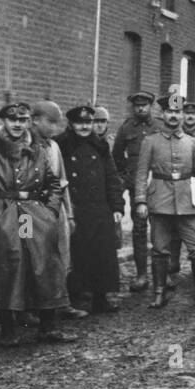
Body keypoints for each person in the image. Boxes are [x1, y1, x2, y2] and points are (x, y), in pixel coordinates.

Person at [0, 102, 73, 346]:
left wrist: (50, 211)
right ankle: (8, 330)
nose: (17, 124)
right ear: (4, 121)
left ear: (28, 122)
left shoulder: (37, 149)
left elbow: (53, 184)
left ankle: (48, 327)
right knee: (8, 268)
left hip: (34, 216)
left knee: (42, 266)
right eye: (11, 119)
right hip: (7, 216)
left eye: (22, 120)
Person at [133, 88, 195, 309]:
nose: (173, 116)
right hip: (159, 200)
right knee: (160, 249)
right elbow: (141, 174)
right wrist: (140, 200)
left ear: (182, 115)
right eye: (169, 111)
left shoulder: (192, 142)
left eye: (177, 112)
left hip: (188, 201)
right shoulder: (150, 142)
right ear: (162, 114)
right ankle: (159, 292)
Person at [56, 105, 123, 314]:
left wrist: (117, 206)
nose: (84, 127)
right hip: (74, 207)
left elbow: (112, 177)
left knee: (102, 253)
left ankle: (101, 298)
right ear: (71, 124)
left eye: (88, 123)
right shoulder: (62, 145)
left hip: (99, 207)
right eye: (79, 123)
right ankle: (74, 298)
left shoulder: (100, 146)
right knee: (77, 253)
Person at [31, 100, 85, 319]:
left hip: (57, 211)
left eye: (57, 123)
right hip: (30, 211)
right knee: (32, 257)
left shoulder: (54, 147)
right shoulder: (26, 146)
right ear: (35, 120)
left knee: (62, 255)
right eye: (49, 122)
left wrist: (69, 213)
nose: (54, 128)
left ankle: (60, 303)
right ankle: (29, 308)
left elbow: (63, 182)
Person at [112, 91, 159, 292]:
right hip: (136, 186)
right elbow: (117, 155)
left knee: (161, 228)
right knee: (139, 229)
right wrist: (128, 176)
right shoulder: (126, 128)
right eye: (137, 105)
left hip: (158, 183)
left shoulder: (159, 127)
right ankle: (141, 275)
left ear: (151, 106)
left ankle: (164, 274)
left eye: (145, 105)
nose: (141, 108)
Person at [167, 100, 195, 285]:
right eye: (187, 113)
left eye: (194, 114)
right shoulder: (174, 135)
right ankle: (173, 265)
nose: (190, 116)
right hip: (178, 189)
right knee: (174, 229)